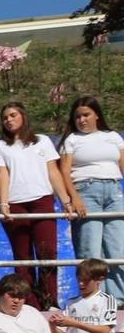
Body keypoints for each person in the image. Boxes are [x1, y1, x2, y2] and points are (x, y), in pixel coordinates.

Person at [0, 102, 70, 309]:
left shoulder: (42, 142)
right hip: (15, 204)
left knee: (47, 253)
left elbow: (53, 171)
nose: (9, 120)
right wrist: (3, 202)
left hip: (42, 200)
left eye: (13, 115)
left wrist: (66, 201)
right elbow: (2, 174)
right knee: (23, 257)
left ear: (23, 116)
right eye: (5, 117)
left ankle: (50, 302)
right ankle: (30, 304)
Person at [61, 96, 124, 300]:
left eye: (86, 115)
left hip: (114, 190)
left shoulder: (113, 136)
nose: (82, 120)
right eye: (78, 116)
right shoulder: (72, 140)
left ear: (96, 114)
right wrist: (75, 198)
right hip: (86, 190)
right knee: (91, 249)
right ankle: (94, 298)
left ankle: (119, 299)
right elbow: (64, 171)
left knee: (117, 249)